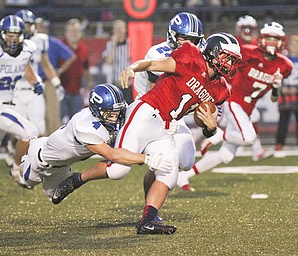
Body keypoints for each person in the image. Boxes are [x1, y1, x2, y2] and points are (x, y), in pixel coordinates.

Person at [52, 32, 242, 235]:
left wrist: (210, 127)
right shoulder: (190, 57)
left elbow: (202, 120)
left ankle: (148, 220)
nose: (230, 64)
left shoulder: (220, 89)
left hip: (167, 125)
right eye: (227, 57)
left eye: (233, 60)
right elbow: (154, 64)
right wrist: (133, 67)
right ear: (213, 52)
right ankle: (76, 180)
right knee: (118, 171)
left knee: (170, 171)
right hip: (146, 112)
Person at [177, 22, 294, 189]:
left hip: (247, 109)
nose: (271, 42)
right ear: (261, 39)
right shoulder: (248, 53)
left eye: (275, 39)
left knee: (226, 156)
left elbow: (275, 98)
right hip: (235, 101)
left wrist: (276, 87)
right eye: (268, 38)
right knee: (249, 137)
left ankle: (185, 175)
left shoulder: (285, 65)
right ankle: (219, 135)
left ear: (282, 41)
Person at [22, 83, 173, 198]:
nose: (117, 117)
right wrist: (146, 158)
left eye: (119, 111)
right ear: (97, 112)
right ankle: (26, 156)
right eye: (111, 114)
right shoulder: (85, 127)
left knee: (52, 196)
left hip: (64, 165)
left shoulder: (111, 116)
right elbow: (112, 155)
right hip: (42, 159)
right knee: (28, 181)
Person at [134, 12, 205, 220]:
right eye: (185, 39)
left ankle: (151, 196)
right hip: (148, 113)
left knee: (186, 161)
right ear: (173, 36)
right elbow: (164, 92)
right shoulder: (158, 52)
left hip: (173, 116)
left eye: (194, 40)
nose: (189, 45)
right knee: (118, 168)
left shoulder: (196, 55)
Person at [197, 14, 269, 164]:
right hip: (228, 89)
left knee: (241, 122)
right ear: (239, 29)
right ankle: (206, 134)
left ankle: (256, 150)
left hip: (240, 90)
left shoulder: (254, 46)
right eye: (246, 29)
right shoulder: (236, 45)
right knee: (228, 120)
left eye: (251, 29)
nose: (249, 32)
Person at [0, 15, 40, 185]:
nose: (12, 40)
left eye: (16, 36)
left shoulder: (25, 51)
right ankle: (17, 171)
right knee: (29, 131)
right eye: (9, 36)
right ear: (1, 35)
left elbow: (25, 67)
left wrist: (35, 82)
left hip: (7, 106)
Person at [14, 9, 65, 136]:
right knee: (16, 130)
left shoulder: (40, 40)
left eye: (29, 24)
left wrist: (56, 84)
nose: (27, 28)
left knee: (39, 127)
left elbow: (46, 65)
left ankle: (37, 153)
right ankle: (13, 149)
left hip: (34, 89)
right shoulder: (9, 41)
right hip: (15, 89)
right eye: (24, 24)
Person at [35, 17, 76, 134]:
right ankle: (38, 140)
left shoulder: (50, 41)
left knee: (52, 112)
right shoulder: (30, 42)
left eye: (40, 26)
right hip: (32, 82)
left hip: (48, 80)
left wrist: (60, 70)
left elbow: (71, 56)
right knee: (37, 113)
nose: (39, 29)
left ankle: (53, 139)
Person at [60, 18, 93, 124]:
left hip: (76, 90)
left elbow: (86, 66)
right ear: (66, 32)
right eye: (71, 31)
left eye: (76, 31)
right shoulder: (60, 45)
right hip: (61, 90)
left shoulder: (82, 47)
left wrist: (89, 83)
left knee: (76, 121)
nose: (74, 34)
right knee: (60, 121)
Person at [274, 35, 298, 155]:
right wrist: (282, 88)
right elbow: (278, 74)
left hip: (296, 93)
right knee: (283, 120)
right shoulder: (284, 58)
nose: (295, 47)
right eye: (293, 44)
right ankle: (279, 143)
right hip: (285, 94)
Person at [102, 19, 133, 104]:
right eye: (117, 28)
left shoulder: (131, 43)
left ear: (125, 29)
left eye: (121, 27)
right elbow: (108, 61)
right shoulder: (110, 44)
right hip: (116, 83)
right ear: (113, 30)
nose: (119, 30)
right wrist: (113, 44)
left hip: (129, 83)